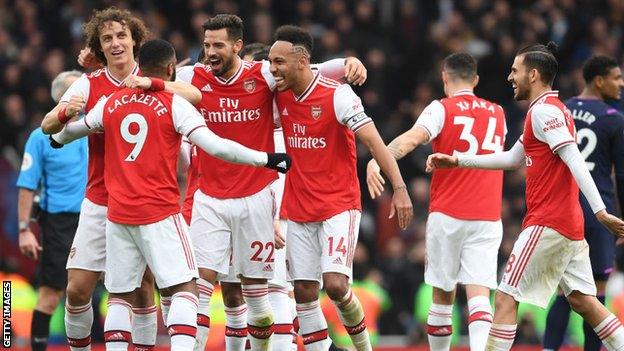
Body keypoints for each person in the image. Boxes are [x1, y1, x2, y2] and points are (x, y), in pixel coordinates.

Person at [50, 39, 291, 351]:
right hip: (159, 212)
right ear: (168, 71)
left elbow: (70, 131)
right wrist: (265, 159)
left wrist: (56, 136)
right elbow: (216, 146)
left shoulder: (111, 103)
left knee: (121, 295)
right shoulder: (174, 104)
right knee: (184, 289)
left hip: (119, 214)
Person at [175, 14, 368, 351]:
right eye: (206, 45)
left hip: (267, 207)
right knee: (211, 289)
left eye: (217, 44)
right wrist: (156, 75)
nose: (209, 51)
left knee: (269, 295)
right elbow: (146, 75)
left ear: (236, 47)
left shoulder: (271, 94)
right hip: (213, 201)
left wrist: (349, 62)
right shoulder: (194, 78)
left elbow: (316, 69)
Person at [426, 42, 624, 351]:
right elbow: (511, 159)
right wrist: (458, 160)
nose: (510, 77)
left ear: (533, 75)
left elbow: (574, 158)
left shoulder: (545, 112)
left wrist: (599, 211)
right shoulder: (545, 111)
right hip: (567, 225)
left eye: (515, 71)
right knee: (585, 302)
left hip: (548, 223)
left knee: (505, 298)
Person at [40, 7, 200, 351]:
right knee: (77, 288)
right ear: (99, 47)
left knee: (143, 287)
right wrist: (67, 110)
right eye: (107, 39)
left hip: (146, 201)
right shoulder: (90, 83)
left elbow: (194, 95)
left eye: (121, 36)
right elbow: (50, 125)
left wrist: (155, 83)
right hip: (100, 199)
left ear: (134, 40)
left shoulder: (153, 77)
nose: (115, 44)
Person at [269, 25, 414, 351]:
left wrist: (400, 187)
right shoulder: (279, 95)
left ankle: (364, 348)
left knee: (335, 285)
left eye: (279, 62)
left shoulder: (337, 95)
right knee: (304, 291)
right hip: (298, 208)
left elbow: (374, 142)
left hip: (338, 205)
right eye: (270, 62)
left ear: (302, 61)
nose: (273, 69)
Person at [366, 52, 505, 351]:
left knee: (443, 294)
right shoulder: (498, 112)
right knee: (480, 295)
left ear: (444, 77)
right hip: (488, 214)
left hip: (449, 213)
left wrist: (380, 160)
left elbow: (412, 139)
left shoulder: (441, 108)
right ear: (476, 79)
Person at [543, 55, 624, 351]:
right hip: (598, 213)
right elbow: (623, 176)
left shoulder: (559, 111)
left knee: (566, 293)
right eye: (617, 77)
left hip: (561, 210)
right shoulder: (614, 118)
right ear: (599, 80)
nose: (622, 83)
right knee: (594, 295)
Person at [16, 70, 87, 351]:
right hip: (60, 222)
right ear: (62, 98)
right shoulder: (39, 137)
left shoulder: (95, 126)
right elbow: (26, 186)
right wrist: (24, 230)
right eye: (78, 91)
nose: (85, 95)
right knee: (50, 294)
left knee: (124, 289)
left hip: (102, 216)